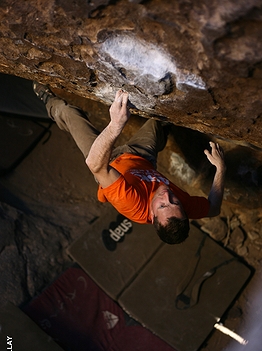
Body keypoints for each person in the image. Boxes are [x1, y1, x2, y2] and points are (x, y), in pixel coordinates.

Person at [33, 83, 226, 244]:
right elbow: (213, 208)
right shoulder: (180, 210)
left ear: (151, 216)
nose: (167, 196)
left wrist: (115, 125)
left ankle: (46, 97)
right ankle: (163, 130)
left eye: (162, 206)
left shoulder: (132, 204)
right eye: (174, 202)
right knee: (162, 117)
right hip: (141, 158)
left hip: (105, 161)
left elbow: (95, 164)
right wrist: (221, 169)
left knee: (69, 113)